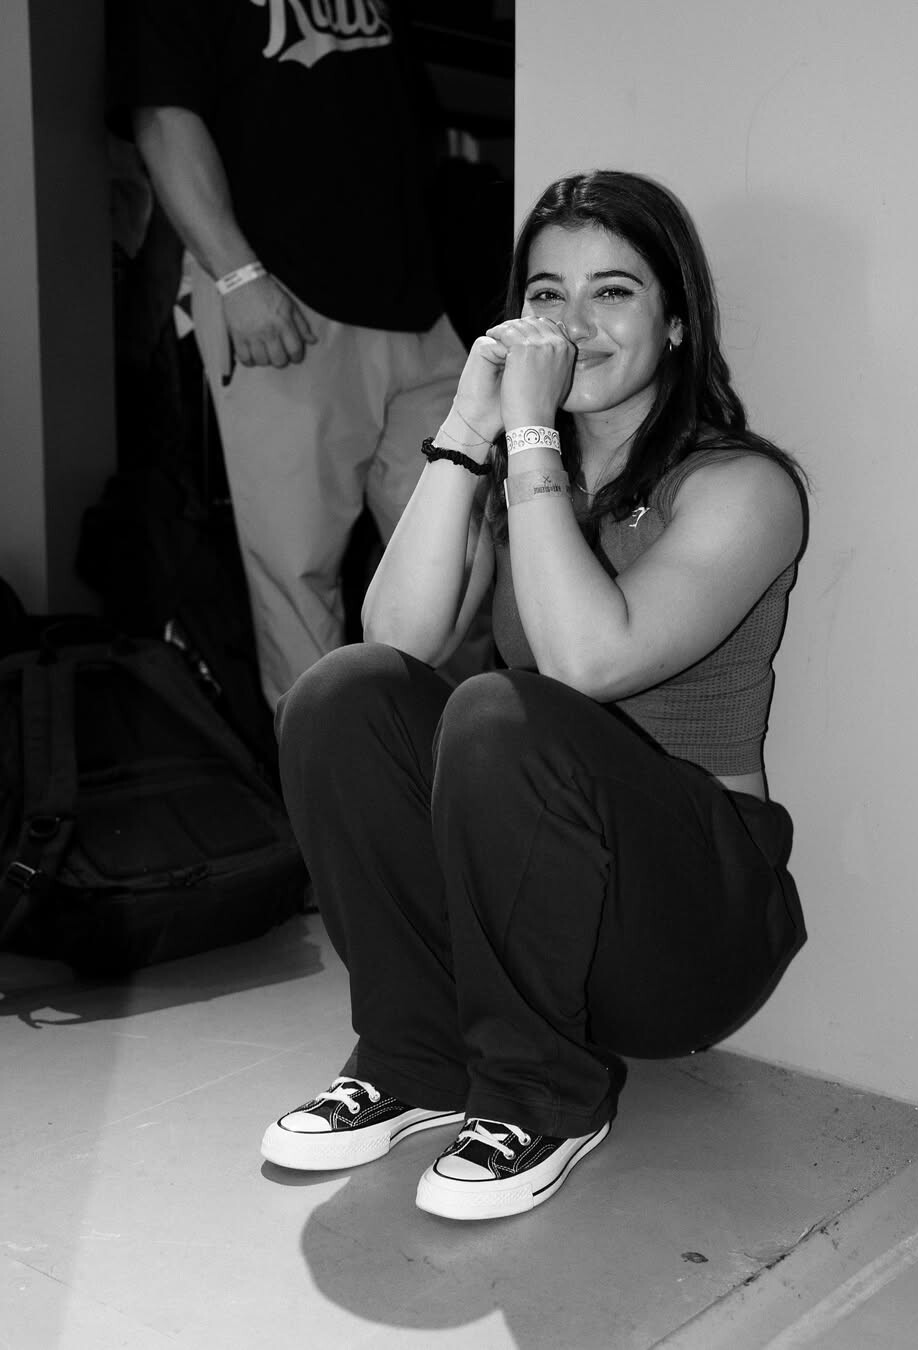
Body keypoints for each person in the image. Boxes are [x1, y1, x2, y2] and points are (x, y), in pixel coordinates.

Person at [261, 170, 809, 1221]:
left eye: (613, 293)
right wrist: (472, 423)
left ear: (677, 324)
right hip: (533, 920)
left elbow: (586, 665)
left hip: (689, 930)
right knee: (343, 691)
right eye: (548, 294)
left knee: (500, 707)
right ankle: (417, 1059)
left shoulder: (743, 487)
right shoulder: (519, 477)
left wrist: (530, 443)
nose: (574, 324)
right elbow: (393, 641)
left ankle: (541, 1097)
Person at [126, 0, 468, 707]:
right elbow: (161, 116)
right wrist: (236, 274)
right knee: (299, 576)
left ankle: (466, 755)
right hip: (284, 300)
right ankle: (328, 773)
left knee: (462, 557)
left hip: (417, 299)